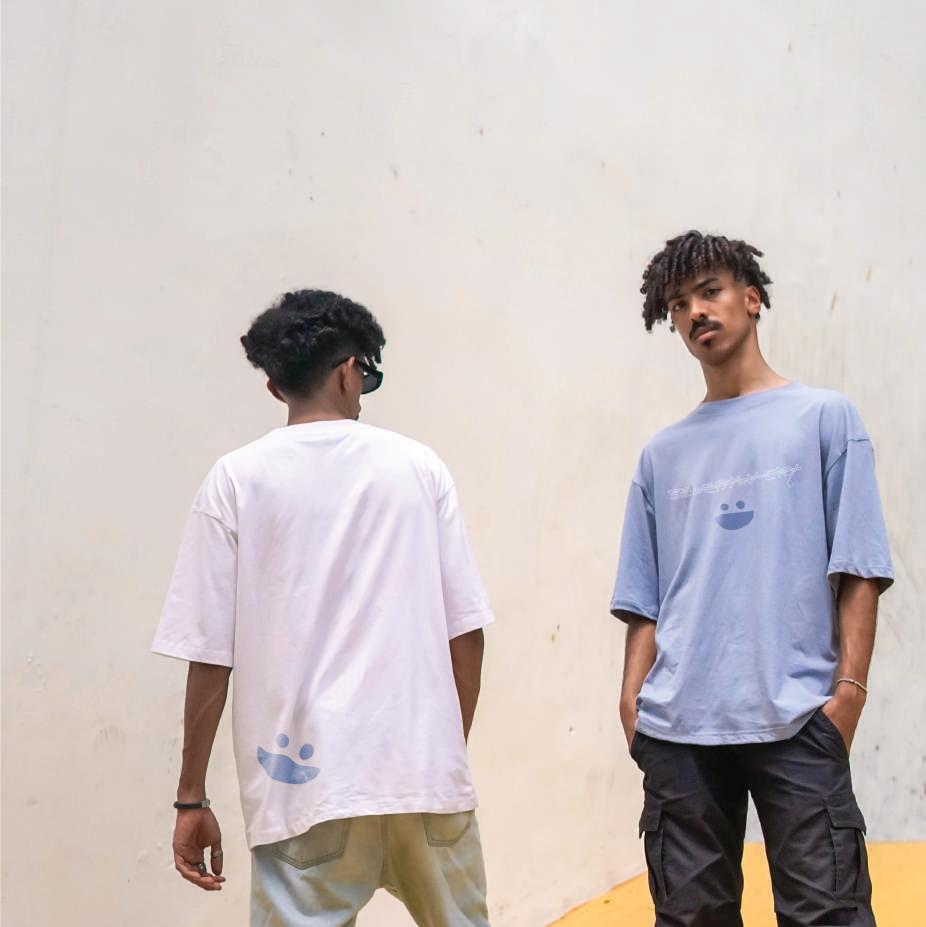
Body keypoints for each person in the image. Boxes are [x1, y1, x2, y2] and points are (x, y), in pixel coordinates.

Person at [153, 289, 494, 926]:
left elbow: (209, 656)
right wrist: (444, 749)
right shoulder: (420, 468)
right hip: (423, 775)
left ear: (275, 387)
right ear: (349, 371)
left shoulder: (235, 480)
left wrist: (190, 797)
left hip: (302, 791)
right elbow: (465, 632)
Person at [611, 231, 893, 927]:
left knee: (827, 914)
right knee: (691, 919)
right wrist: (632, 701)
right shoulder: (661, 454)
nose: (696, 312)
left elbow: (858, 565)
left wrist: (849, 693)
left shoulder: (824, 417)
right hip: (678, 728)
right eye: (680, 304)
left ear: (752, 297)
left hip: (799, 716)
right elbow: (644, 599)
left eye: (709, 292)